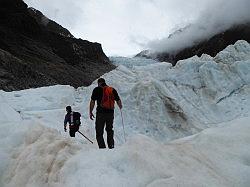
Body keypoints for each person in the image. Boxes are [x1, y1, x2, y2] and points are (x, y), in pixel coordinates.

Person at [89, 78, 122, 149]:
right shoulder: (112, 90)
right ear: (104, 82)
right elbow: (118, 101)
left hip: (101, 113)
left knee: (99, 131)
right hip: (110, 113)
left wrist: (90, 112)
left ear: (99, 83)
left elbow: (92, 102)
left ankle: (102, 148)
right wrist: (120, 107)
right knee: (109, 129)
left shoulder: (96, 90)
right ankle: (111, 146)